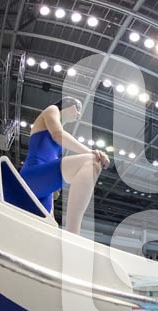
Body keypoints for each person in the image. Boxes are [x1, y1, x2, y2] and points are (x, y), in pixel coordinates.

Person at [20, 97, 110, 234]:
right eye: (77, 108)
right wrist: (90, 152)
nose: (79, 113)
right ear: (67, 104)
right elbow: (57, 134)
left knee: (51, 228)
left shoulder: (57, 132)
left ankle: (69, 236)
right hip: (32, 176)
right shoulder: (52, 109)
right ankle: (73, 234)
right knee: (92, 162)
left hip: (44, 187)